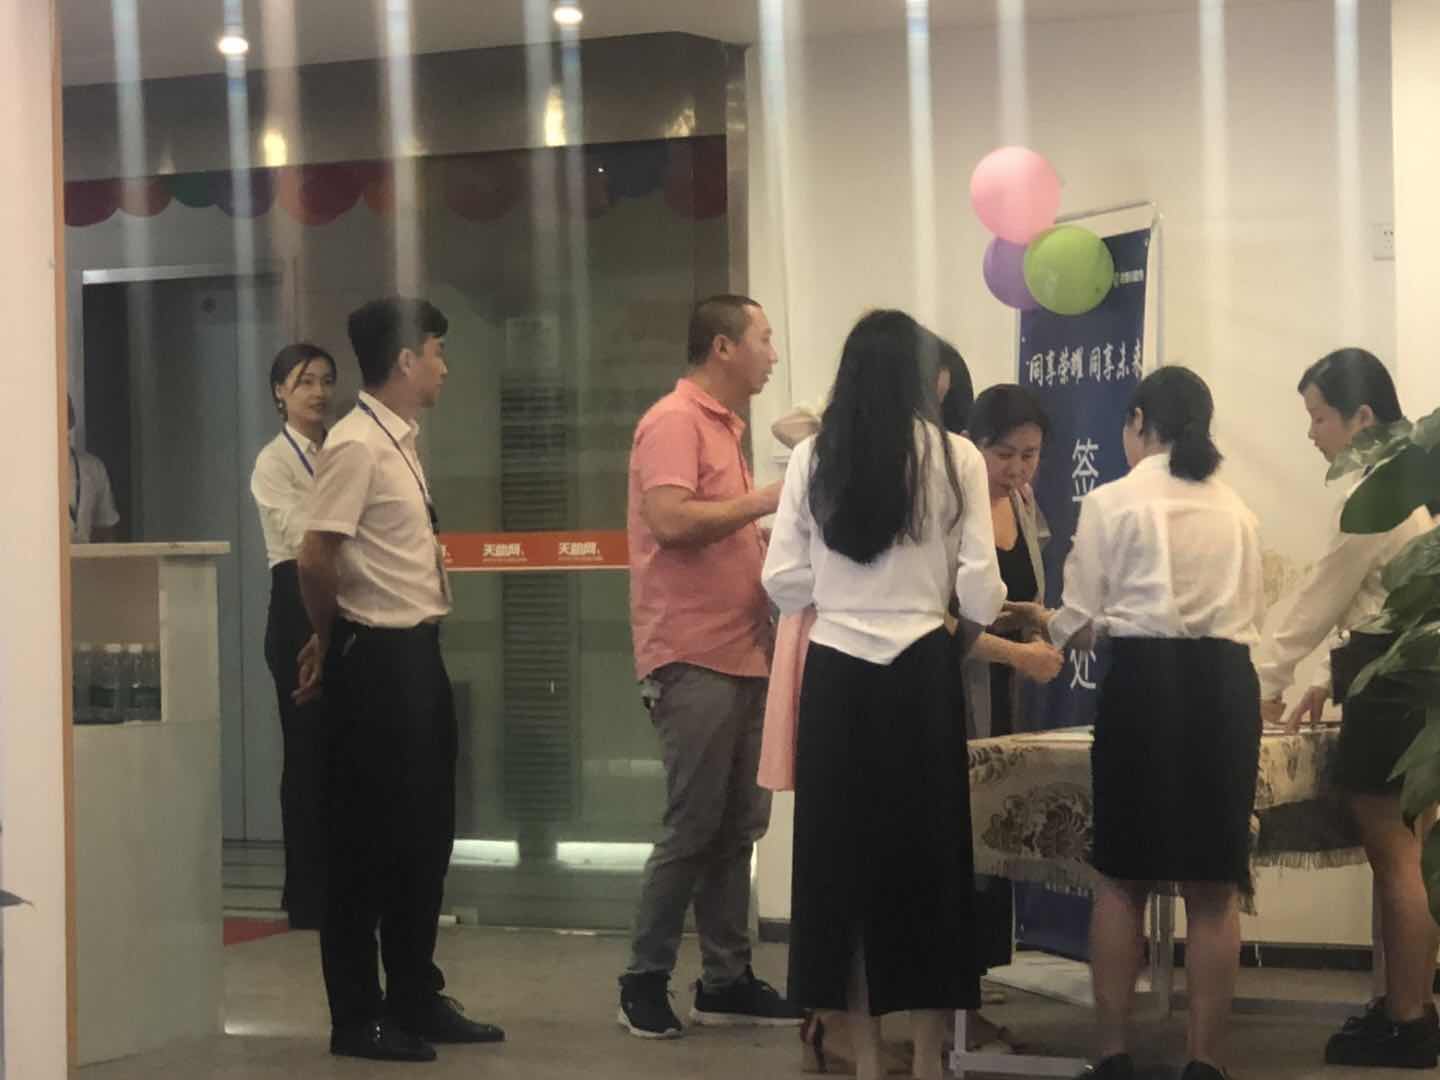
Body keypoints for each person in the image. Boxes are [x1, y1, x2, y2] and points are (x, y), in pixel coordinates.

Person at [763, 309, 1006, 1080]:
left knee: (841, 869)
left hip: (836, 673)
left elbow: (782, 580)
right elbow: (982, 589)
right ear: (919, 376)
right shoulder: (958, 456)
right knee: (929, 868)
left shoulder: (814, 456)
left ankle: (865, 1059)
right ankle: (930, 1059)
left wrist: (842, 594)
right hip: (922, 672)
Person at [1033, 367, 1264, 1080]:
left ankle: (1112, 1053)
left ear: (1138, 421)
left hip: (1142, 686)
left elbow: (1078, 619)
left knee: (1121, 878)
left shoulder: (1113, 501)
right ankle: (1205, 1061)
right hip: (1226, 688)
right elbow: (1251, 613)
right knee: (1214, 887)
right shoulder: (1238, 509)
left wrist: (1049, 624)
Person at [294, 298, 503, 1063]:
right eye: (437, 352)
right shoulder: (355, 445)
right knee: (364, 846)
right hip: (375, 658)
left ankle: (415, 993)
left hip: (417, 654)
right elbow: (316, 555)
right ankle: (358, 1015)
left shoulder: (399, 441)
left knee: (424, 836)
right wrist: (327, 639)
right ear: (406, 360)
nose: (444, 366)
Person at [618, 294, 802, 1040]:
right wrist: (766, 502)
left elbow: (720, 531)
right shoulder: (673, 420)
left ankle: (726, 980)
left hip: (745, 650)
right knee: (693, 824)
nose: (773, 354)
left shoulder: (726, 428)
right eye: (764, 339)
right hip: (691, 653)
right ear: (723, 347)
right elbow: (669, 520)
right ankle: (643, 979)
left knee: (738, 826)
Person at [1256, 348, 1438, 1069]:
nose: (1312, 434)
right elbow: (1379, 604)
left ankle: (1408, 1020)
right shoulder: (1415, 480)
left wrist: (1262, 680)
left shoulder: (1377, 493)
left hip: (1391, 691)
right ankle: (1408, 1005)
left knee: (1395, 856)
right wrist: (1330, 682)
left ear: (1363, 417)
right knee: (1409, 852)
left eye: (1319, 418)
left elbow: (1320, 602)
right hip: (1408, 680)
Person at [958, 384, 1065, 1051]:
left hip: (1006, 693)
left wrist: (1035, 620)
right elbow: (940, 619)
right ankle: (952, 1005)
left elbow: (1016, 594)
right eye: (1004, 454)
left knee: (994, 836)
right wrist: (1018, 653)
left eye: (1031, 455)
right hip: (956, 691)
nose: (1018, 469)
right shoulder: (954, 507)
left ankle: (970, 987)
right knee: (958, 841)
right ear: (972, 446)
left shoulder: (1023, 504)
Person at [249, 343, 337, 931]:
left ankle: (348, 886)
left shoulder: (344, 450)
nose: (319, 392)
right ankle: (306, 896)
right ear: (280, 392)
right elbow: (302, 535)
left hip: (343, 599)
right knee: (306, 753)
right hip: (294, 603)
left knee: (345, 753)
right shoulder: (273, 461)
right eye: (305, 382)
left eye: (326, 381)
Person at [67, 395, 120, 543]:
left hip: (85, 555)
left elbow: (106, 529)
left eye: (67, 413)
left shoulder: (93, 467)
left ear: (72, 419)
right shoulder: (27, 469)